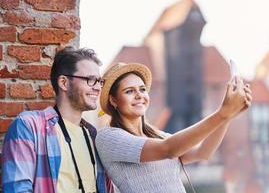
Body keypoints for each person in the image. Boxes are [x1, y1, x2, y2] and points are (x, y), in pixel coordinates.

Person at [95, 62, 252, 193]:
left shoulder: (159, 136)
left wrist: (229, 115)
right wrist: (222, 113)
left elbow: (203, 153)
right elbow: (169, 150)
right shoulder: (108, 137)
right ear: (113, 100)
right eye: (129, 91)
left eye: (142, 89)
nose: (139, 95)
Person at [2, 47, 114, 193]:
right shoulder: (28, 126)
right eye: (91, 80)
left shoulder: (94, 136)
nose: (98, 87)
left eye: (99, 81)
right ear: (64, 83)